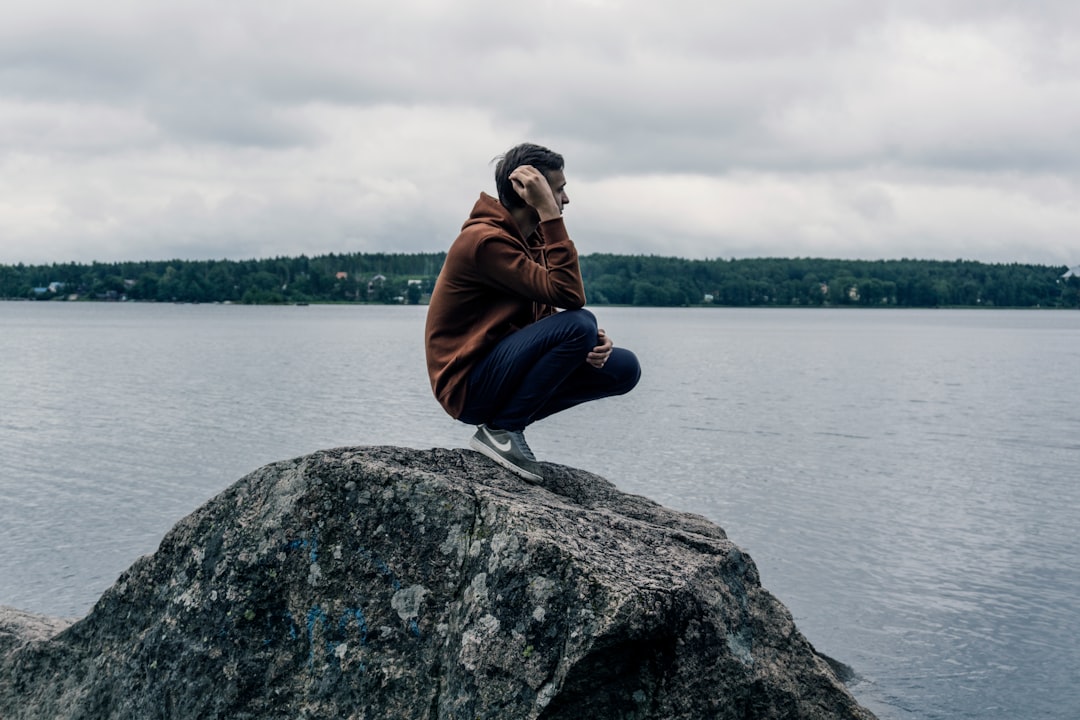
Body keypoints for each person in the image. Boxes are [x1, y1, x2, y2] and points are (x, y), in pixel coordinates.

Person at [424, 142, 641, 482]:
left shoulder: (530, 238)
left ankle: (503, 425)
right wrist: (550, 214)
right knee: (579, 322)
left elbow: (546, 314)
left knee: (624, 368)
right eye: (559, 189)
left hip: (499, 370)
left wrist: (587, 346)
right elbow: (571, 296)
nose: (565, 199)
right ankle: (502, 430)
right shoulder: (485, 242)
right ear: (530, 193)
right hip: (467, 384)